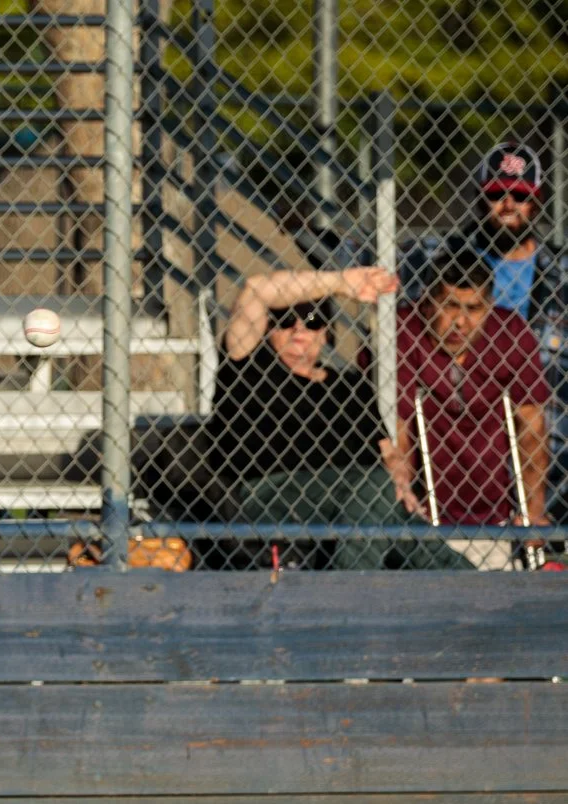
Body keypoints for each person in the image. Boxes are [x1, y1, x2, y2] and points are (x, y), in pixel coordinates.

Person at [214, 267, 471, 570]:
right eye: (285, 320)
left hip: (362, 501)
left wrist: (399, 483)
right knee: (376, 489)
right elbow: (255, 287)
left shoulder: (350, 386)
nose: (298, 330)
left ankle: (478, 590)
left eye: (312, 321)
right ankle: (351, 587)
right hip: (274, 492)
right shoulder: (251, 369)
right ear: (269, 328)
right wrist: (338, 282)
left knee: (406, 522)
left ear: (325, 333)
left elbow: (389, 453)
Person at [400, 141, 568, 519]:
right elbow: (366, 255)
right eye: (496, 194)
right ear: (480, 197)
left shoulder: (561, 274)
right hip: (467, 444)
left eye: (519, 196)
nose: (508, 205)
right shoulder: (436, 259)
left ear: (536, 201)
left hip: (555, 443)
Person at [393, 247, 552, 568]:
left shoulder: (509, 333)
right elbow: (399, 425)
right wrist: (403, 510)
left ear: (489, 306)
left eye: (474, 309)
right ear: (427, 302)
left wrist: (533, 512)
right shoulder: (403, 330)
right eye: (450, 306)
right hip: (426, 516)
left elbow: (531, 426)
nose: (461, 323)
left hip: (495, 514)